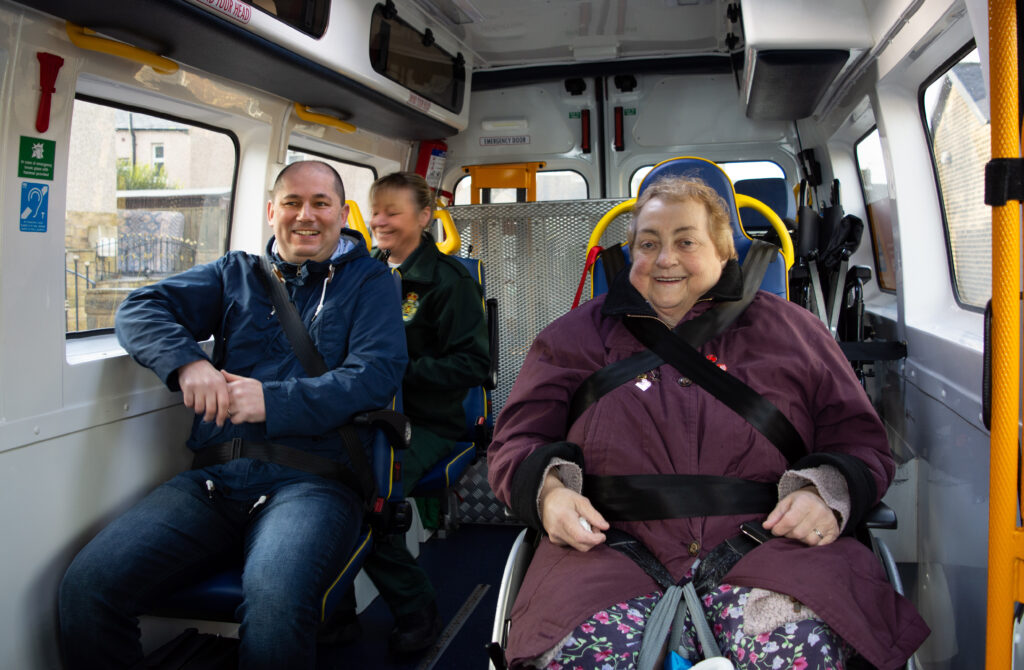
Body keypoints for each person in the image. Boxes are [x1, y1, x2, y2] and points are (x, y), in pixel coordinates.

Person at [487, 176, 928, 669]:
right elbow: (515, 442)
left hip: (774, 550)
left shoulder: (795, 333)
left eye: (685, 242)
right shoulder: (570, 339)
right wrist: (549, 493)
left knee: (801, 651)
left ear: (723, 253)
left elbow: (860, 441)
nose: (665, 258)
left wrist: (825, 491)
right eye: (648, 243)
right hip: (604, 553)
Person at [58, 161, 408, 669]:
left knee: (274, 602)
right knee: (87, 588)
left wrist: (274, 399)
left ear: (340, 212)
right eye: (291, 202)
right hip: (214, 481)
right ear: (272, 212)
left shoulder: (371, 282)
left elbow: (376, 373)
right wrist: (188, 363)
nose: (305, 215)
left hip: (312, 482)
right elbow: (138, 309)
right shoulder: (235, 274)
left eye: (320, 203)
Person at [335, 172, 490, 654]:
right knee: (319, 486)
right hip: (367, 417)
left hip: (426, 422)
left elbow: (474, 364)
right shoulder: (364, 273)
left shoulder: (450, 283)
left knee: (367, 496)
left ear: (424, 218)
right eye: (375, 211)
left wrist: (398, 371)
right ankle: (335, 610)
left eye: (393, 213)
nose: (379, 221)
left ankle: (416, 606)